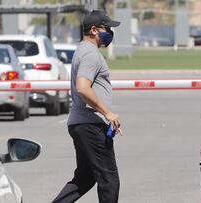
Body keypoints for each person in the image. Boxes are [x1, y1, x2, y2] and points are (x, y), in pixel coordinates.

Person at [52, 10, 122, 203]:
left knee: (86, 177)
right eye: (106, 28)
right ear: (94, 30)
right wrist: (107, 112)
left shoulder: (83, 50)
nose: (109, 32)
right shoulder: (90, 53)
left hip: (82, 123)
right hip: (91, 124)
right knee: (109, 179)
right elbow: (83, 87)